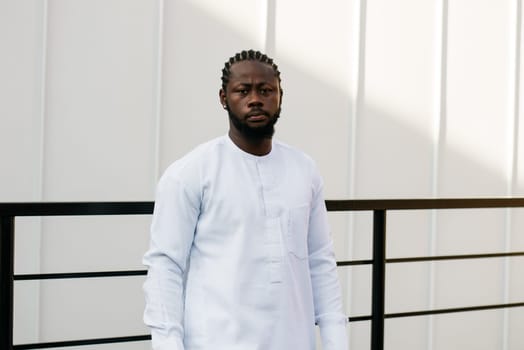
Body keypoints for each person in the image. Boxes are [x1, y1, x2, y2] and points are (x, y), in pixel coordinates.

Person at [142, 49, 348, 350]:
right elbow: (165, 267)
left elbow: (320, 261)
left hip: (293, 340)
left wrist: (336, 341)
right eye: (243, 90)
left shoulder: (305, 170)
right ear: (224, 98)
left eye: (266, 90)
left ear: (279, 96)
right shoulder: (191, 172)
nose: (255, 99)